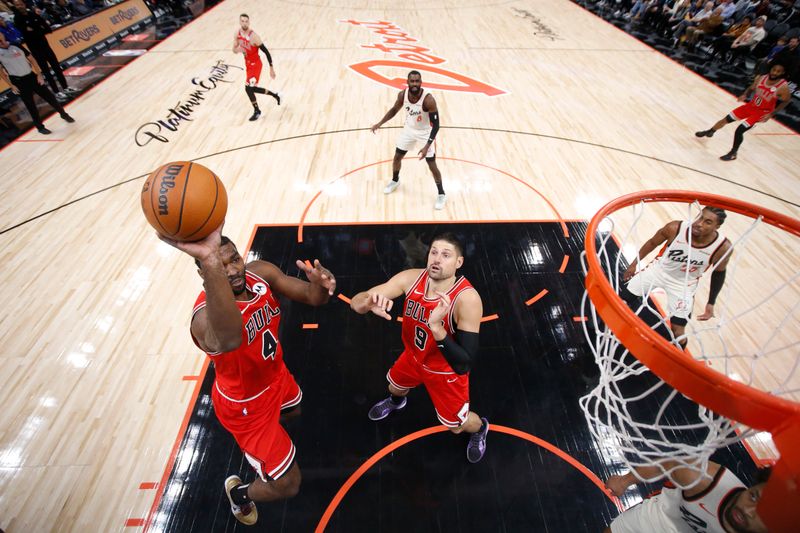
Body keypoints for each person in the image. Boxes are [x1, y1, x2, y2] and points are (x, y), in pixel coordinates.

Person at [159, 224, 336, 525]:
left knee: (293, 411)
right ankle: (239, 495)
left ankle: (266, 452)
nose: (232, 271)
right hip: (246, 406)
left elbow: (312, 297)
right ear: (204, 275)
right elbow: (229, 339)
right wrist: (210, 259)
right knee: (288, 484)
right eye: (219, 266)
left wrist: (320, 283)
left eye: (234, 260)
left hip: (276, 375)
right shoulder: (203, 319)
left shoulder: (259, 273)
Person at [350, 233, 489, 462]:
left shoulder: (467, 299)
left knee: (456, 426)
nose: (437, 259)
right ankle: (397, 402)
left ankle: (481, 428)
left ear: (458, 262)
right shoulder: (411, 278)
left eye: (446, 255)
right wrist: (367, 302)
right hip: (413, 357)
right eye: (434, 252)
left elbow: (464, 363)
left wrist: (437, 328)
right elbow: (357, 301)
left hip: (445, 371)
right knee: (394, 386)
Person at [623, 207, 732, 350]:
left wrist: (711, 302)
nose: (699, 223)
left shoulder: (722, 247)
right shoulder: (675, 228)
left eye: (707, 222)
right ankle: (599, 328)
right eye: (700, 217)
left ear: (716, 227)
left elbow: (719, 273)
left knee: (678, 331)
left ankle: (677, 358)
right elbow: (652, 243)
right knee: (622, 300)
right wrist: (633, 265)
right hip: (658, 271)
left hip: (684, 284)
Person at [603, 460, 770, 533]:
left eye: (764, 513)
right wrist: (624, 481)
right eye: (753, 497)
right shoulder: (704, 478)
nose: (748, 510)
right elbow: (666, 465)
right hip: (654, 519)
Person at [370, 70, 447, 210]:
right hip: (409, 130)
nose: (415, 84)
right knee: (397, 157)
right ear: (407, 82)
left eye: (417, 81)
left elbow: (436, 125)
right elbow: (394, 110)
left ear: (421, 82)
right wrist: (380, 123)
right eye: (412, 81)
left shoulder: (428, 99)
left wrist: (427, 145)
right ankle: (395, 181)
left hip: (425, 133)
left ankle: (441, 194)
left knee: (432, 165)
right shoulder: (402, 95)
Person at [695, 63, 792, 160]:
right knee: (726, 119)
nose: (775, 73)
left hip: (761, 113)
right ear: (771, 69)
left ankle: (733, 153)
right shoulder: (762, 78)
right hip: (751, 106)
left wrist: (771, 114)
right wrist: (745, 94)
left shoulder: (782, 86)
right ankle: (711, 131)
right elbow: (751, 87)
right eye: (774, 70)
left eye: (778, 71)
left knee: (739, 130)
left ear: (782, 73)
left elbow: (786, 101)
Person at [0, 32, 73, 134]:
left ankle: (64, 114)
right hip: (18, 81)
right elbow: (1, 72)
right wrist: (11, 85)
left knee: (50, 97)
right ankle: (40, 127)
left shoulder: (16, 45)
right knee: (31, 106)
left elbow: (31, 59)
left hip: (31, 76)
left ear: (3, 35)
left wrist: (39, 74)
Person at [11, 0, 75, 100]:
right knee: (46, 72)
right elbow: (27, 32)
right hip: (36, 49)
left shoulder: (33, 14)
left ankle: (66, 87)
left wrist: (35, 30)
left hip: (45, 46)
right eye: (16, 5)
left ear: (24, 4)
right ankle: (57, 92)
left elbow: (47, 29)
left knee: (57, 67)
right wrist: (38, 29)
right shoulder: (17, 19)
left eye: (20, 4)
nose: (19, 6)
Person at [233, 13, 280, 122]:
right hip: (248, 64)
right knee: (251, 88)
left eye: (246, 21)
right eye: (242, 21)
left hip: (256, 64)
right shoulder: (237, 33)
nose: (244, 23)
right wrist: (238, 49)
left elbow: (266, 52)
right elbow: (234, 50)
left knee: (248, 88)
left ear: (249, 22)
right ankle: (275, 95)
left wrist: (271, 68)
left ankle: (257, 111)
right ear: (240, 22)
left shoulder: (254, 36)